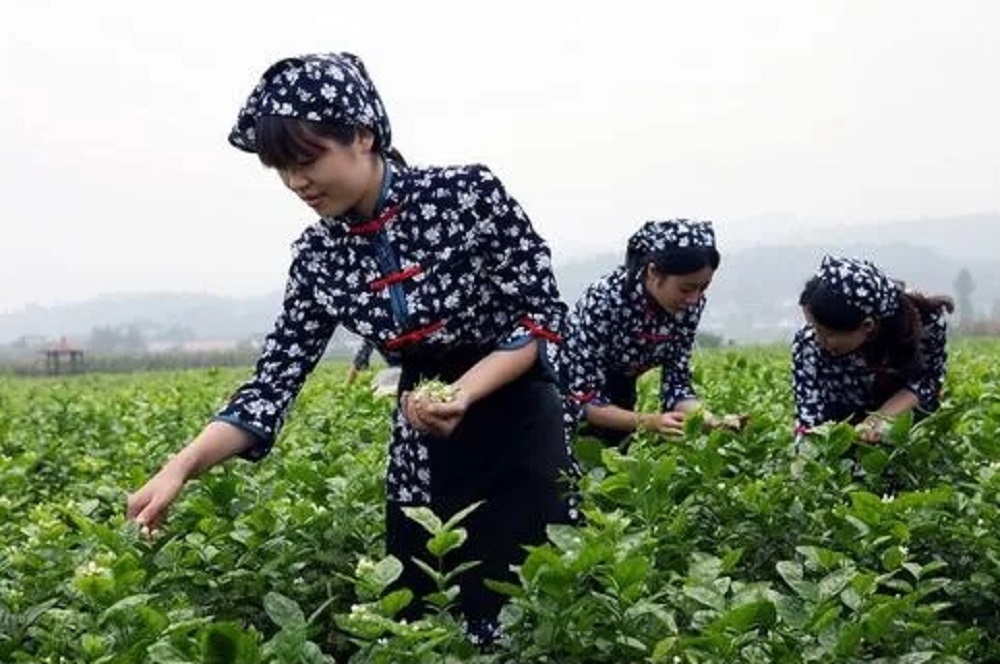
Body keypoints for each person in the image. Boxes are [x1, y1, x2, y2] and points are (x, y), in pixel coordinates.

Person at [126, 52, 574, 644]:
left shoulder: (467, 195)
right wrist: (180, 467)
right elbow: (271, 386)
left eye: (307, 160)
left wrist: (463, 392)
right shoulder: (318, 259)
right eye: (281, 169)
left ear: (363, 134)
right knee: (427, 624)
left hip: (518, 423)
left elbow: (539, 319)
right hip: (422, 439)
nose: (297, 183)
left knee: (532, 613)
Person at [560, 219, 732, 448]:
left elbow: (677, 387)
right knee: (576, 456)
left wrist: (711, 420)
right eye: (686, 288)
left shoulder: (688, 307)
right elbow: (585, 400)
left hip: (621, 386)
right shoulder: (605, 300)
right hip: (565, 388)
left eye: (703, 288)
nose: (694, 299)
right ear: (653, 273)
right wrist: (649, 421)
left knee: (616, 454)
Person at [792, 255, 954, 447]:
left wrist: (881, 418)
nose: (818, 340)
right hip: (841, 434)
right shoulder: (808, 344)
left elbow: (927, 382)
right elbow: (808, 421)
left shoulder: (925, 323)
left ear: (867, 326)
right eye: (813, 327)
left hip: (904, 426)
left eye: (827, 334)